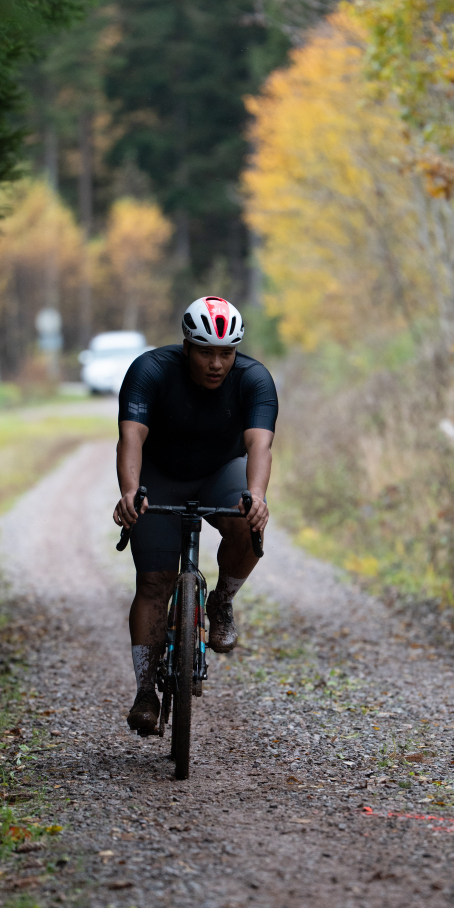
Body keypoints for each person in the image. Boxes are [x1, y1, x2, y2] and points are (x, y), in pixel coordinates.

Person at [113, 295, 278, 733]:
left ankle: (220, 601)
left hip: (219, 472)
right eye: (205, 352)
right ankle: (145, 693)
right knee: (154, 582)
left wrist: (256, 496)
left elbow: (259, 445)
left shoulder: (254, 379)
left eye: (226, 352)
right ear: (186, 347)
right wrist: (130, 492)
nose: (216, 363)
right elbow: (130, 438)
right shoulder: (150, 371)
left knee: (247, 519)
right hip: (159, 474)